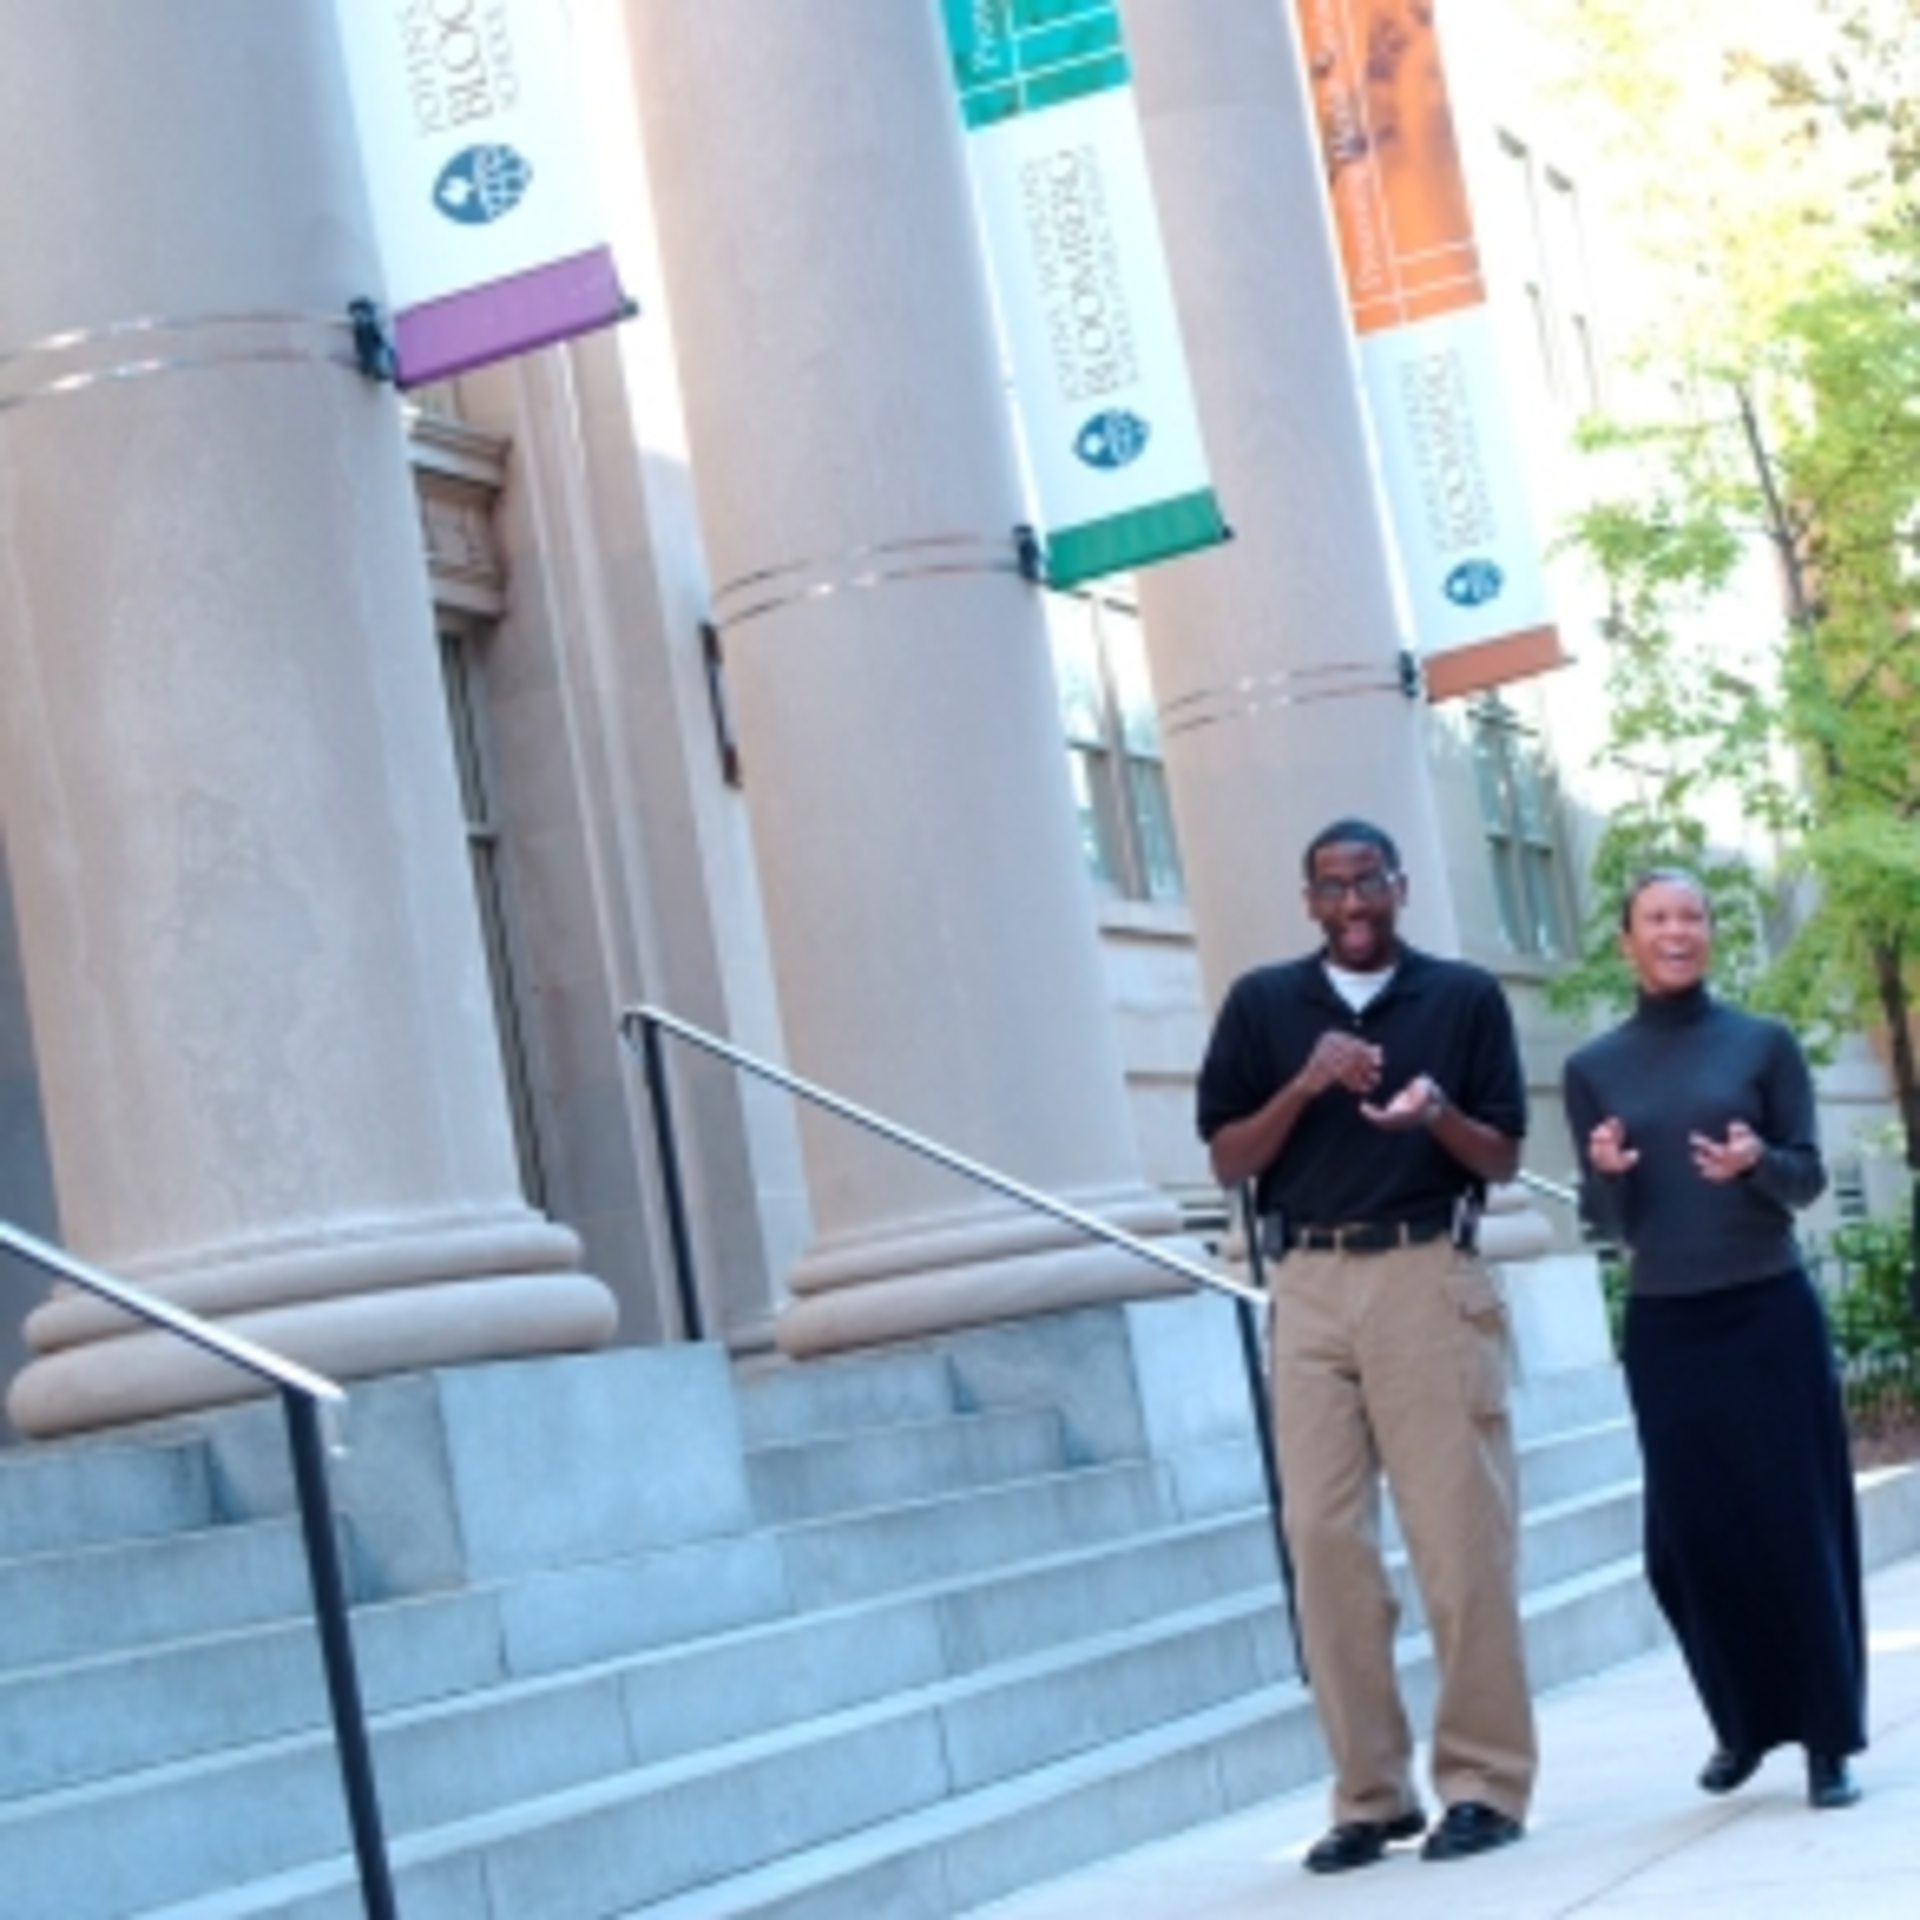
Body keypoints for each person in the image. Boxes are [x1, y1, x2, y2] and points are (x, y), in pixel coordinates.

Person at [1196, 818, 1535, 1872]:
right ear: (1308, 901)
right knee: (1323, 1539)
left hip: (1426, 1273)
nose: (1351, 904)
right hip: (1307, 1285)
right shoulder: (1262, 1005)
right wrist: (1304, 1082)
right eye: (1331, 887)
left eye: (1368, 883)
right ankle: (1369, 1793)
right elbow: (1226, 1160)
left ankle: (1482, 1783)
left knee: (1457, 1536)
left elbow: (1504, 1153)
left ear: (1400, 887)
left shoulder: (1462, 997)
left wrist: (1434, 1112)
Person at [1562, 867, 1866, 1810]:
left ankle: (1825, 1738)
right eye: (1657, 917)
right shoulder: (1593, 1069)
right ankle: (1741, 1725)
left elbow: (1807, 1178)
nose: (1676, 930)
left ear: (1710, 934)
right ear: (1628, 940)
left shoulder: (1762, 1045)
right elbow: (1602, 1223)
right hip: (1667, 1324)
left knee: (1796, 1523)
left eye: (1691, 915)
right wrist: (1606, 1174)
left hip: (1767, 1310)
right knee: (1689, 1542)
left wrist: (1754, 1165)